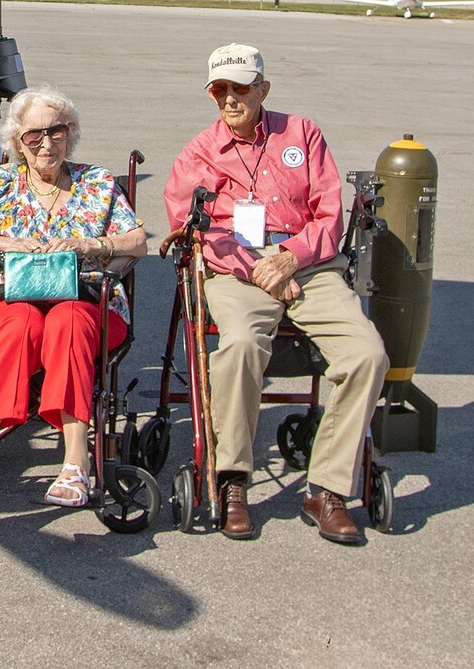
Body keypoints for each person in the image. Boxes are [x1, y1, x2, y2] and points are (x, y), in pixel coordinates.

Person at [161, 44, 389, 545]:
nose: (228, 99)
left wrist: (290, 260)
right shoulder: (198, 152)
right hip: (238, 271)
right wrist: (261, 269)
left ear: (263, 88)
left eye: (240, 88)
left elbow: (330, 214)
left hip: (307, 264)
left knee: (368, 354)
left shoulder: (302, 134)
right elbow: (191, 229)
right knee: (240, 345)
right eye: (219, 90)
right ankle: (233, 478)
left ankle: (327, 489)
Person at [0, 86, 148, 505]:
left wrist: (89, 246)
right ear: (17, 140)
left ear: (71, 133)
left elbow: (137, 240)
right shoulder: (0, 182)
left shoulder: (97, 182)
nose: (46, 143)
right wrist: (2, 245)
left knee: (66, 320)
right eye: (34, 135)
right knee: (21, 322)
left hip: (84, 301)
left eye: (57, 131)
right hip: (6, 300)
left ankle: (74, 463)